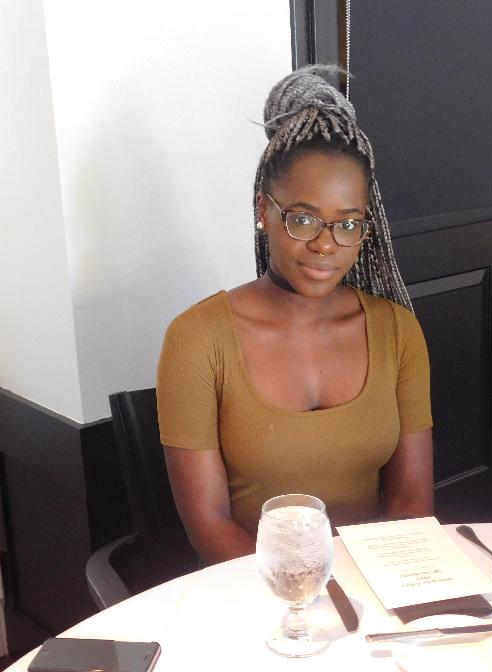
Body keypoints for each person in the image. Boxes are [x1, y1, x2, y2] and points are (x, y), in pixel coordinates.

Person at [157, 66, 433, 564]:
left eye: (348, 224)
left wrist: (369, 593)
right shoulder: (197, 339)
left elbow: (411, 504)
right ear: (263, 211)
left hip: (374, 586)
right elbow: (210, 525)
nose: (326, 244)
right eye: (303, 218)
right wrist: (309, 594)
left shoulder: (397, 330)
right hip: (252, 587)